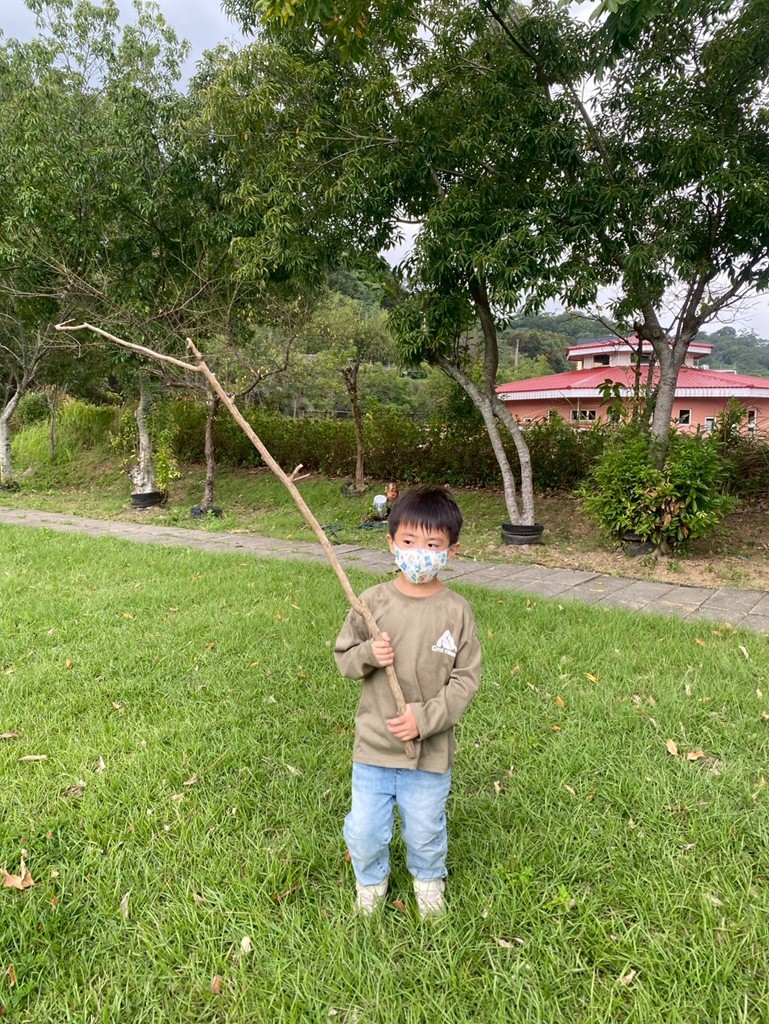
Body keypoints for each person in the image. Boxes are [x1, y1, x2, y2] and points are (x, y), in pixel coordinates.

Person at [335, 487, 481, 917]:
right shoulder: (372, 603)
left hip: (428, 754)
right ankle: (370, 881)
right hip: (375, 748)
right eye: (410, 542)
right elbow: (344, 658)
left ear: (451, 550)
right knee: (365, 830)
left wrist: (424, 719)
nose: (420, 553)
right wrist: (369, 654)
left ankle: (428, 879)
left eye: (433, 545)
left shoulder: (457, 611)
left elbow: (465, 680)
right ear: (392, 543)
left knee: (424, 829)